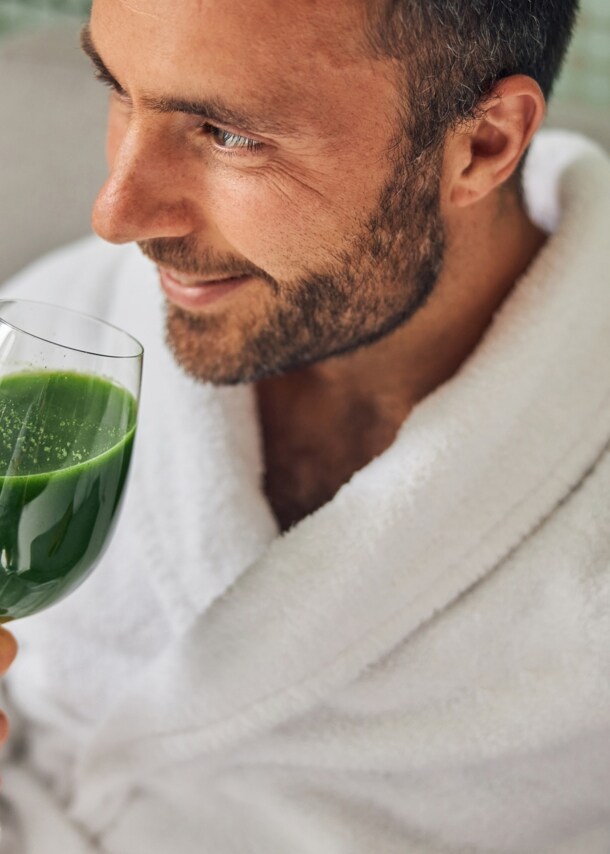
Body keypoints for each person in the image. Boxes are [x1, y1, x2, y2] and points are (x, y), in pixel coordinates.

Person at [1, 0, 609, 850]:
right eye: (118, 90)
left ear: (484, 143)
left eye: (229, 135)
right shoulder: (72, 322)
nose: (115, 215)